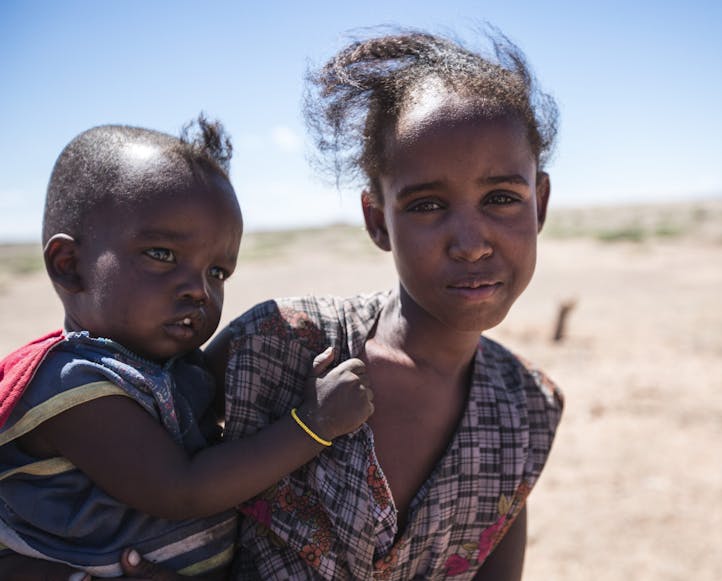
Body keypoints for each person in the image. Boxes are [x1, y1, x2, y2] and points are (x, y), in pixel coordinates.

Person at [208, 28, 564, 580]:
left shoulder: (523, 410)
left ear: (538, 203)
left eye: (501, 198)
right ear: (378, 220)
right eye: (427, 204)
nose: (471, 243)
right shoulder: (276, 348)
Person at [0, 118, 374, 579]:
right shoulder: (73, 386)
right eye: (163, 255)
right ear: (70, 266)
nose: (199, 291)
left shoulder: (169, 367)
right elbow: (183, 491)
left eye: (217, 271)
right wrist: (312, 424)